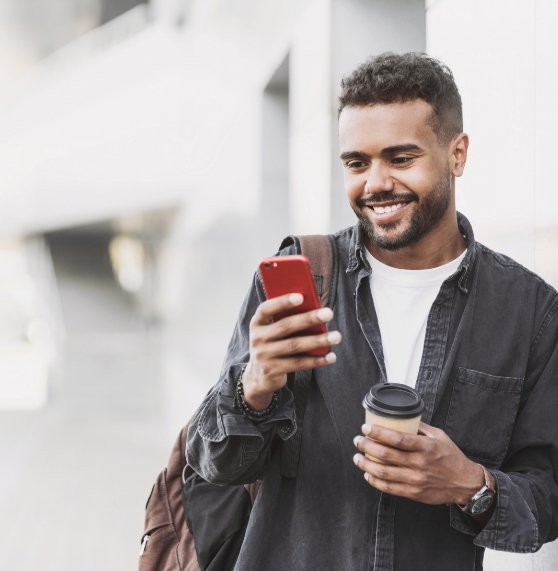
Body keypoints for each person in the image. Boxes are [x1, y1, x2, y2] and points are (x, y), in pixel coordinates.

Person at [186, 52, 558, 570]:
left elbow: (547, 497)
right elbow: (211, 463)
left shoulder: (529, 312)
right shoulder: (301, 276)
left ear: (458, 154)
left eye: (401, 158)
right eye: (356, 163)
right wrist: (254, 386)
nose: (375, 183)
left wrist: (470, 485)